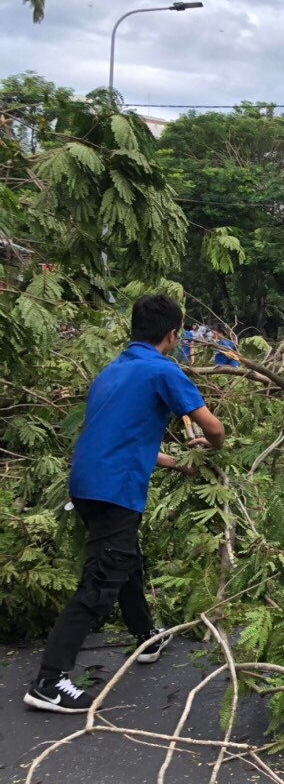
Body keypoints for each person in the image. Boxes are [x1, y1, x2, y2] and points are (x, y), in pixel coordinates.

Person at [24, 295, 226, 714]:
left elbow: (122, 437)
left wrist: (177, 464)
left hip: (86, 483)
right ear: (173, 335)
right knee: (101, 580)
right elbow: (213, 426)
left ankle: (146, 634)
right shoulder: (162, 370)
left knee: (125, 558)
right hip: (115, 488)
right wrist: (211, 448)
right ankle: (49, 680)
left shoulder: (112, 372)